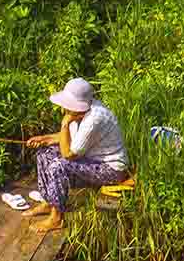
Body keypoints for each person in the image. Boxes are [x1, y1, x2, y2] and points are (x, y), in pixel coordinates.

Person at [23, 78, 130, 232]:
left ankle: (57, 218)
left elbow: (68, 154)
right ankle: (49, 202)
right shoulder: (78, 113)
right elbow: (69, 139)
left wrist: (64, 124)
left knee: (58, 165)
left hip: (111, 170)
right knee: (44, 154)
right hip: (92, 160)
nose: (65, 107)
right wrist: (44, 139)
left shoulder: (94, 118)